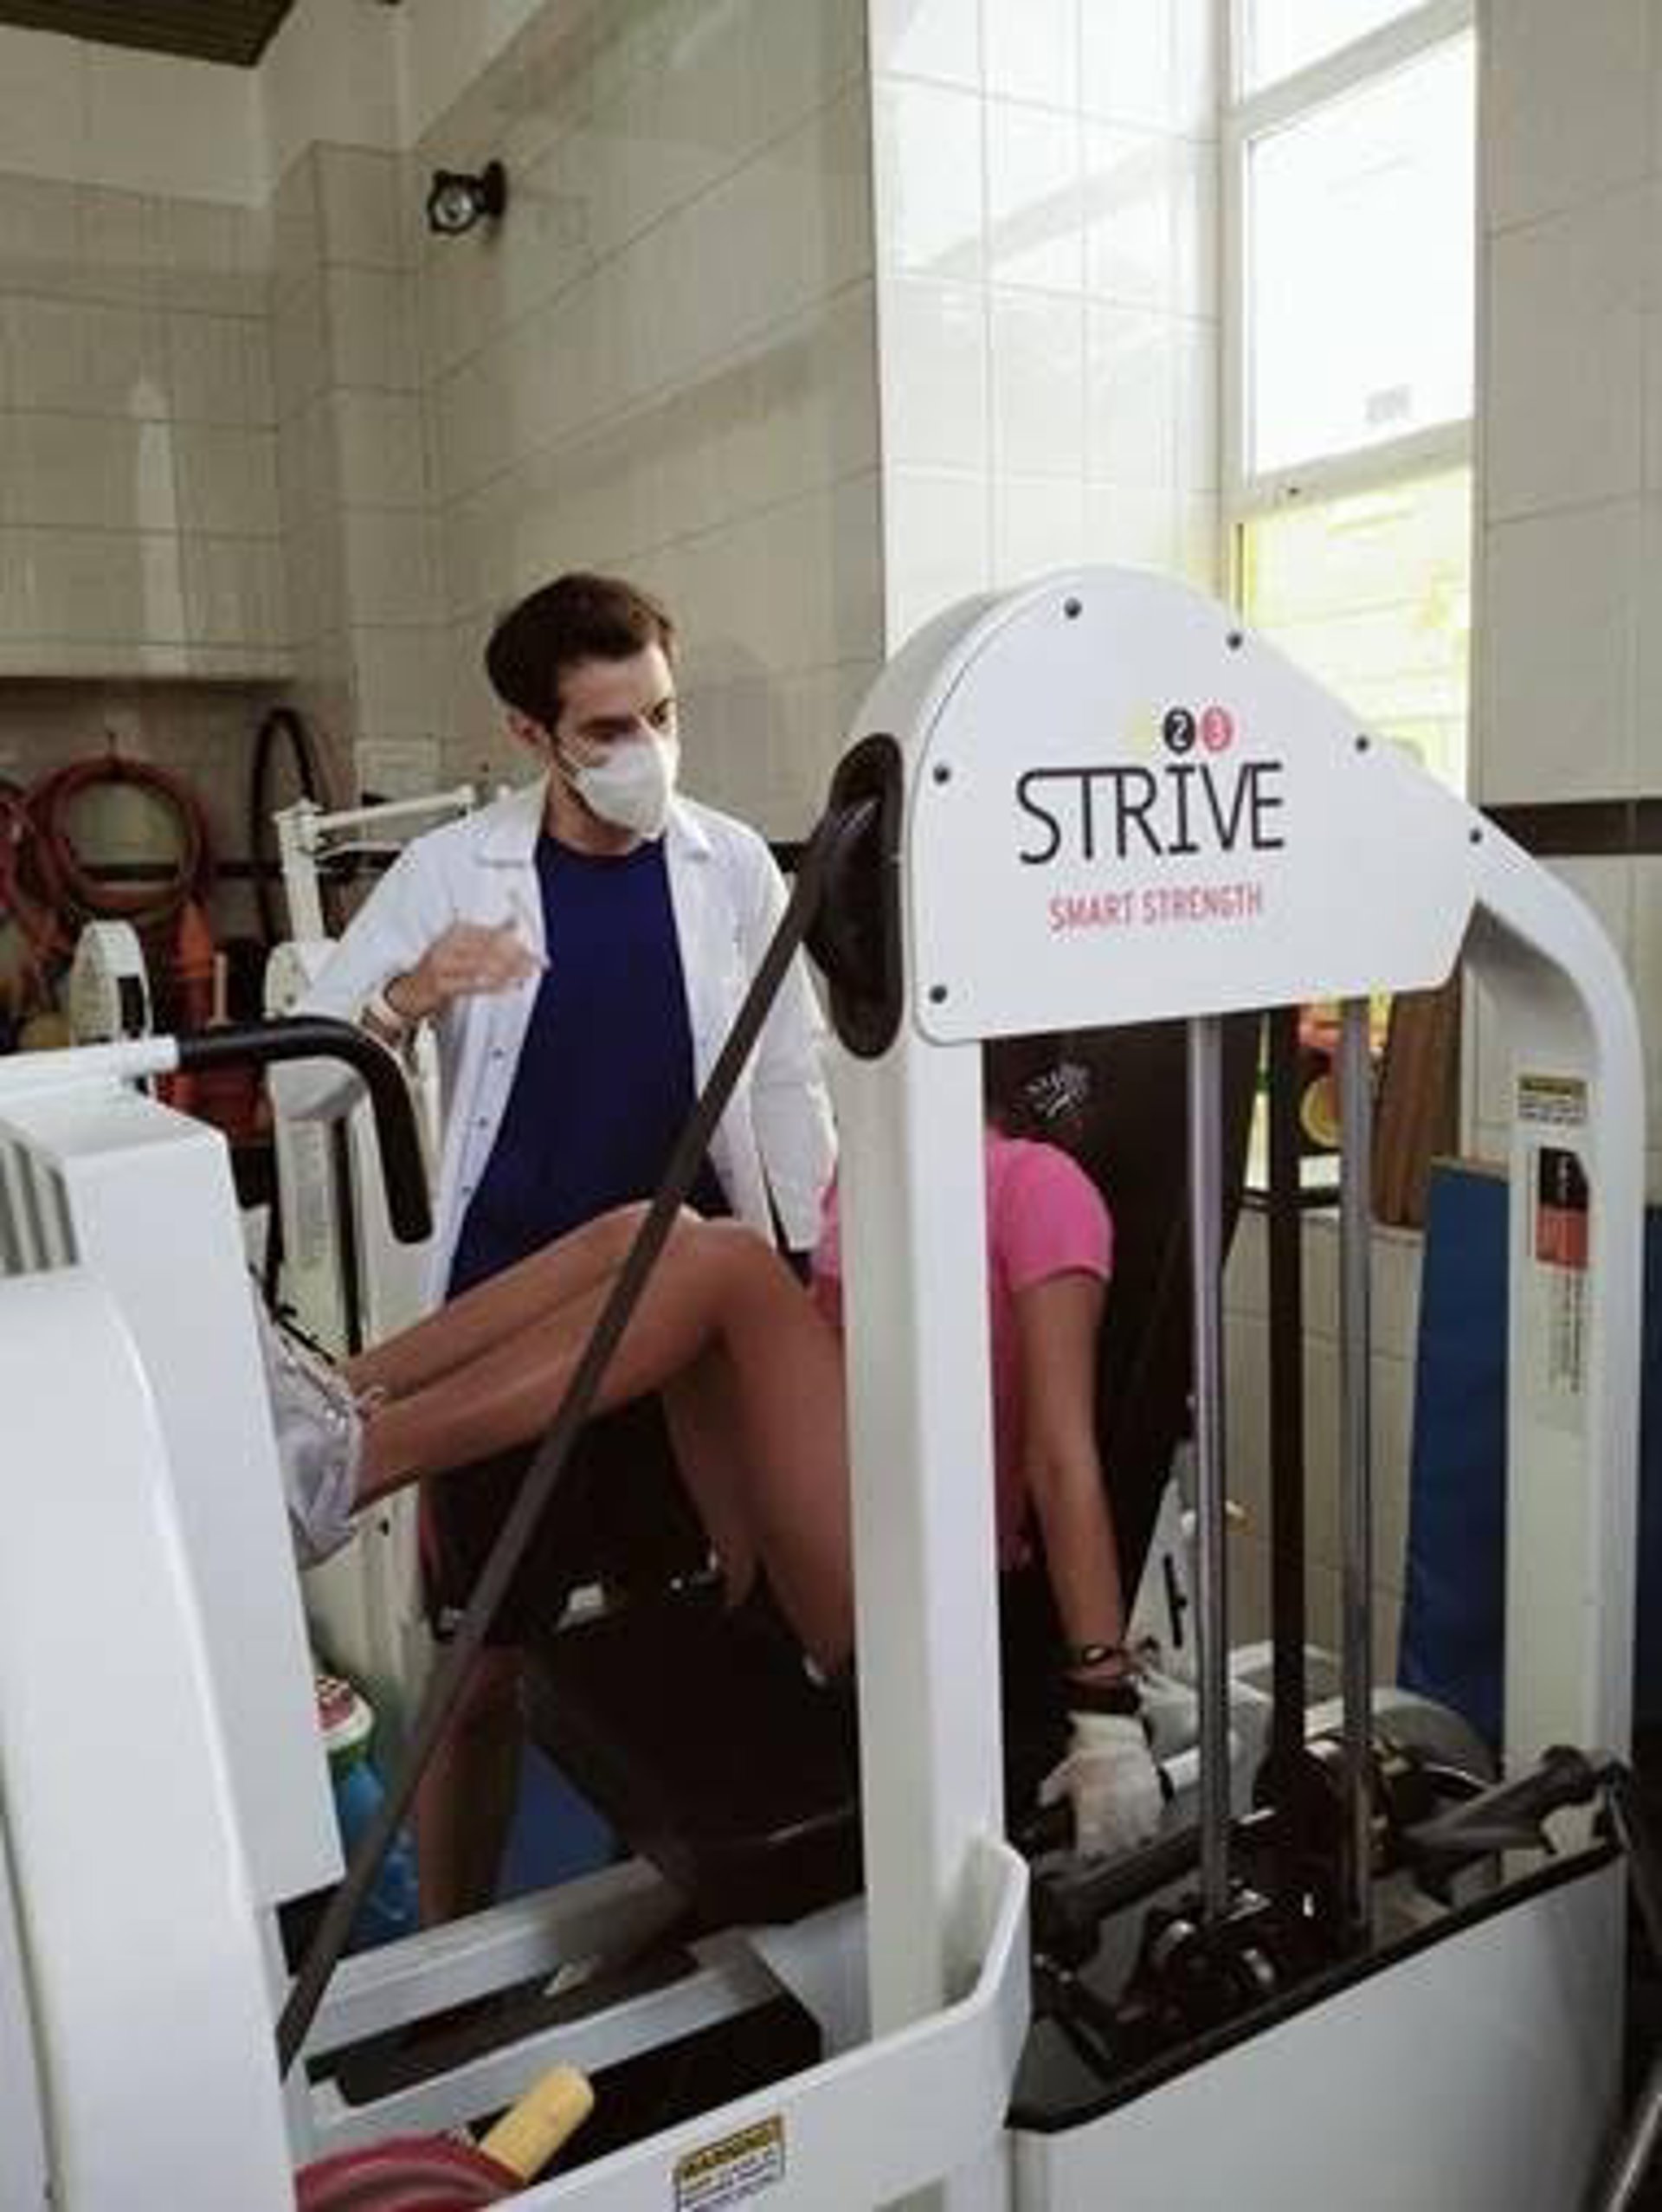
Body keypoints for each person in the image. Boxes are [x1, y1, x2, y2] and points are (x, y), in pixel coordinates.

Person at [278, 571, 836, 1920]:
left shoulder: (728, 865)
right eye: (608, 729)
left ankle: (667, 1917)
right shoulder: (452, 874)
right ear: (531, 735)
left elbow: (786, 1079)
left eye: (662, 714)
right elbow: (300, 1085)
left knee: (676, 1635)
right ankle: (453, 1954)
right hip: (519, 1311)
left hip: (689, 1332)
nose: (648, 750)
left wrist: (812, 1267)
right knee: (484, 1673)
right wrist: (409, 995)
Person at [259, 1048, 1163, 1860]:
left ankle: (350, 1467)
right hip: (813, 1553)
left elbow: (1060, 1454)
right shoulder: (877, 1168)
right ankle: (336, 1391)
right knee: (650, 1227)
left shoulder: (1043, 1186)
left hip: (926, 1600)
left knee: (727, 1259)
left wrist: (1104, 1704)